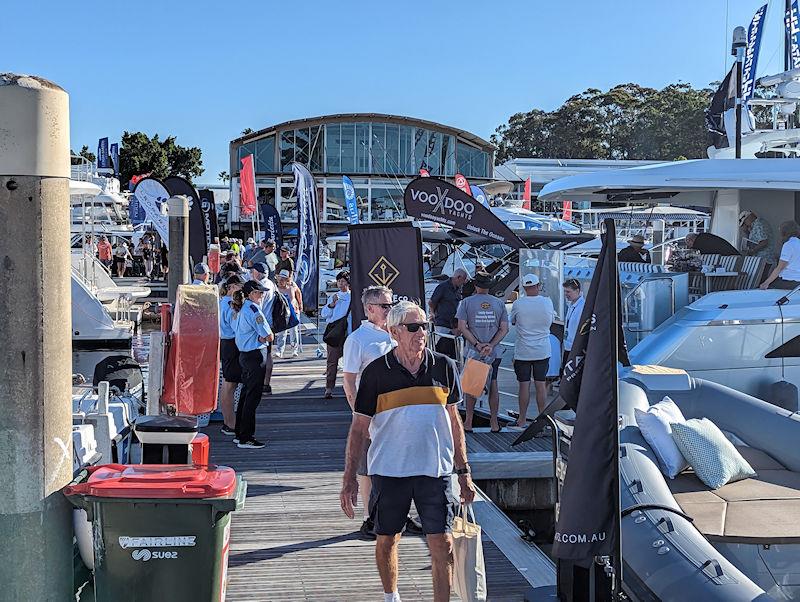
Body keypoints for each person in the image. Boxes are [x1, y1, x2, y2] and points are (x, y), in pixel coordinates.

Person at [340, 301, 475, 602]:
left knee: (443, 543)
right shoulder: (375, 373)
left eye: (424, 326)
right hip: (390, 471)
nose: (421, 333)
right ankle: (392, 598)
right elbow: (359, 429)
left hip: (436, 471)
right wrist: (349, 478)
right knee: (387, 538)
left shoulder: (445, 366)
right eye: (414, 327)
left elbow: (455, 422)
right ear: (395, 331)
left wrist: (464, 471)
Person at [342, 285, 396, 539]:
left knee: (396, 463)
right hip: (371, 411)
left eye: (391, 304)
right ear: (370, 308)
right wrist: (358, 412)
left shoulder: (395, 334)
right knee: (367, 467)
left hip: (397, 411)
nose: (390, 309)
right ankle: (370, 517)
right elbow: (349, 379)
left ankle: (398, 512)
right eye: (385, 306)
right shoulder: (357, 339)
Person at [456, 271, 509, 432]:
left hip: (474, 351)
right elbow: (504, 329)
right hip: (493, 353)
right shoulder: (499, 303)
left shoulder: (466, 302)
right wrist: (491, 345)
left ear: (475, 285)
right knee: (493, 384)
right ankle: (494, 422)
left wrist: (477, 344)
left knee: (472, 387)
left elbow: (462, 327)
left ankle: (469, 422)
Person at [233, 280, 274, 449]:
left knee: (245, 393)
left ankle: (240, 432)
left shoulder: (241, 308)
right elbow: (269, 335)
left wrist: (259, 337)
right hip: (255, 355)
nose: (262, 295)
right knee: (252, 396)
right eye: (259, 292)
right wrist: (263, 338)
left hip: (244, 354)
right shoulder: (253, 310)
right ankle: (246, 437)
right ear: (250, 294)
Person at [510, 274, 555, 426]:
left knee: (524, 385)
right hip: (542, 350)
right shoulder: (547, 302)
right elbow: (551, 320)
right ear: (538, 286)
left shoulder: (518, 303)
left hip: (523, 351)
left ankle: (522, 419)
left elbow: (513, 321)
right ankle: (542, 419)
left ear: (524, 288)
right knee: (540, 384)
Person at [218, 274, 244, 435]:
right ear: (232, 287)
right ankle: (230, 423)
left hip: (226, 343)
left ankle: (229, 421)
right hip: (231, 343)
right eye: (240, 286)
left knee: (229, 383)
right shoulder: (229, 305)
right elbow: (236, 326)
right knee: (230, 384)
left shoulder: (222, 302)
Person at [320, 270, 351, 399]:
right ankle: (329, 388)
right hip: (335, 333)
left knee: (351, 362)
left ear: (348, 283)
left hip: (349, 333)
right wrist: (332, 304)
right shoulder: (334, 296)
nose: (340, 283)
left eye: (343, 281)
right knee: (332, 361)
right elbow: (324, 314)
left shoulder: (353, 297)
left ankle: (350, 388)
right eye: (338, 281)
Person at [429, 269, 468, 359]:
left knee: (453, 351)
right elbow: (431, 302)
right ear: (458, 277)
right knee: (441, 351)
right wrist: (433, 313)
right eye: (463, 279)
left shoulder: (459, 289)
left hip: (453, 326)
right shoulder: (442, 287)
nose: (464, 282)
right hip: (442, 323)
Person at [250, 262, 277, 394]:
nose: (252, 274)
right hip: (270, 322)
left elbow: (258, 307)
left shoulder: (262, 286)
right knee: (268, 354)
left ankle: (262, 383)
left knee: (262, 355)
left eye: (253, 271)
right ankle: (266, 384)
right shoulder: (271, 283)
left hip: (262, 324)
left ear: (258, 272)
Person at [760, 221, 800, 290]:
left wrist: (766, 283)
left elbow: (780, 267)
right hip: (798, 282)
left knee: (767, 289)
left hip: (789, 281)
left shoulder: (788, 245)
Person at [274, 269, 303, 358]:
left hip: (293, 311)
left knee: (294, 331)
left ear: (287, 280)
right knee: (282, 331)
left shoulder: (292, 286)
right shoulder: (276, 288)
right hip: (282, 312)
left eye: (283, 279)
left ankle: (294, 349)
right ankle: (280, 350)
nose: (281, 281)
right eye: (280, 279)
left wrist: (300, 304)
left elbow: (298, 293)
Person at [562, 279, 585, 373]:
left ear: (577, 291)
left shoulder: (582, 307)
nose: (566, 294)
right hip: (568, 346)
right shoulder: (571, 305)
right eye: (565, 291)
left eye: (568, 292)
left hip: (575, 348)